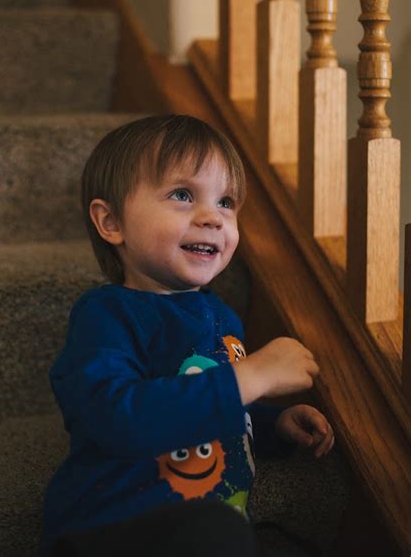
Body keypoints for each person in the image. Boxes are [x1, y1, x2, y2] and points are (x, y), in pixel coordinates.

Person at [41, 114, 334, 557]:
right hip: (112, 527)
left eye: (226, 202)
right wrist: (250, 377)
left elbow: (216, 410)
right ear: (112, 222)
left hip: (206, 527)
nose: (213, 217)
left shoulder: (223, 318)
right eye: (182, 195)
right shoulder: (107, 314)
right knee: (219, 531)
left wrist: (273, 425)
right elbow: (116, 418)